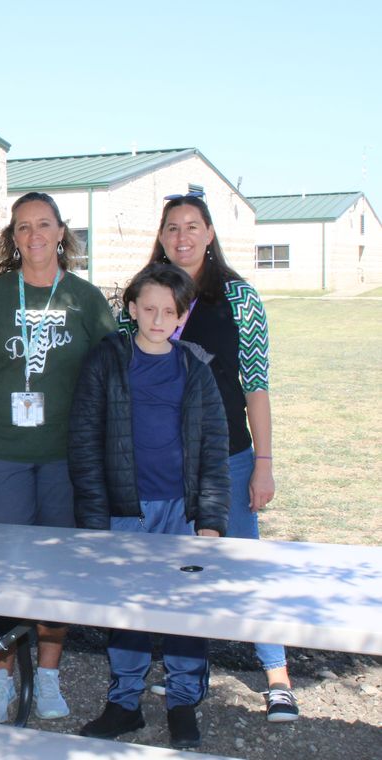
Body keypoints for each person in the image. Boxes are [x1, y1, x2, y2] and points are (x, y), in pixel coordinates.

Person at [0, 191, 115, 723]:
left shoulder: (86, 299)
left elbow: (111, 382)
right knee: (1, 570)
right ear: (13, 236)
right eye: (23, 227)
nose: (34, 235)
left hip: (68, 461)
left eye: (44, 224)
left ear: (62, 232)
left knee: (55, 571)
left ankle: (47, 675)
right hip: (1, 456)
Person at [143, 192, 299, 722]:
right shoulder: (148, 296)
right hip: (163, 464)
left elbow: (255, 384)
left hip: (226, 457)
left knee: (243, 565)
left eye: (192, 226)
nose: (181, 237)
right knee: (183, 569)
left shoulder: (238, 298)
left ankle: (276, 675)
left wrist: (263, 463)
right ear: (161, 237)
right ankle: (190, 672)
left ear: (210, 234)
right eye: (171, 228)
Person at [69, 263, 230, 749]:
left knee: (184, 609)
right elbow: (84, 443)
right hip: (125, 511)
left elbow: (215, 447)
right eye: (150, 308)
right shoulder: (106, 361)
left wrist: (211, 519)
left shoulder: (195, 367)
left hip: (182, 513)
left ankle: (182, 702)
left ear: (181, 317)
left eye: (170, 311)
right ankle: (124, 703)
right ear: (132, 308)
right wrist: (96, 520)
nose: (158, 319)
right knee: (129, 608)